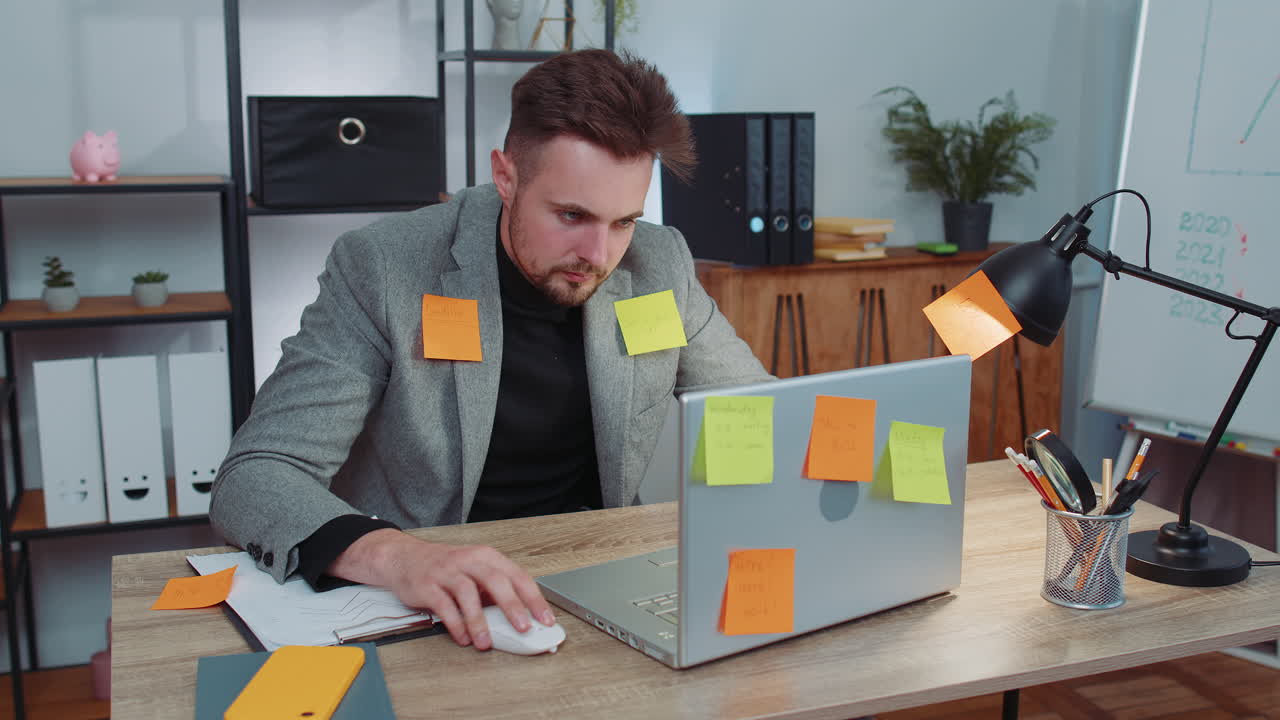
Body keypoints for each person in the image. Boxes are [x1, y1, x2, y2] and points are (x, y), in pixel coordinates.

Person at [210, 49, 770, 652]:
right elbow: (258, 474)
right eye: (572, 215)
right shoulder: (384, 266)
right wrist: (399, 556)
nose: (600, 254)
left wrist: (741, 522)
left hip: (599, 582)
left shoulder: (659, 262)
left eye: (624, 220)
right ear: (506, 177)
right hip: (426, 600)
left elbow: (751, 413)